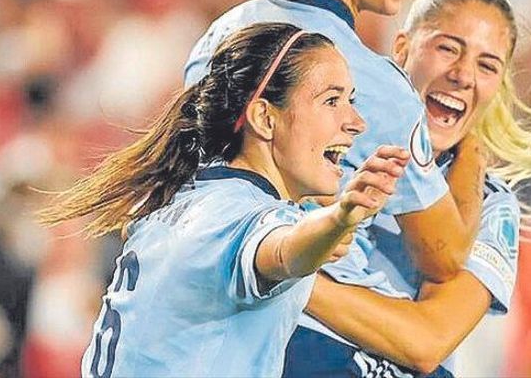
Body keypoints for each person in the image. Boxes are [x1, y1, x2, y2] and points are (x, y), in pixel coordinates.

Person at [156, 0, 486, 343]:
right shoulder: (371, 82)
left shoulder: (221, 34)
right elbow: (444, 256)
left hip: (209, 319)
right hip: (318, 343)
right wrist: (474, 148)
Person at [37, 23, 409, 377]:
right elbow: (281, 251)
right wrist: (340, 218)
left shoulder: (187, 195)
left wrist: (331, 224)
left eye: (351, 100)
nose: (356, 121)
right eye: (332, 100)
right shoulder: (233, 217)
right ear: (265, 117)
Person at [289, 0, 531, 376]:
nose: (463, 74)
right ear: (401, 48)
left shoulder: (492, 204)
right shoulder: (329, 141)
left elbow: (427, 342)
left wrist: (279, 268)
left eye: (487, 65)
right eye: (447, 48)